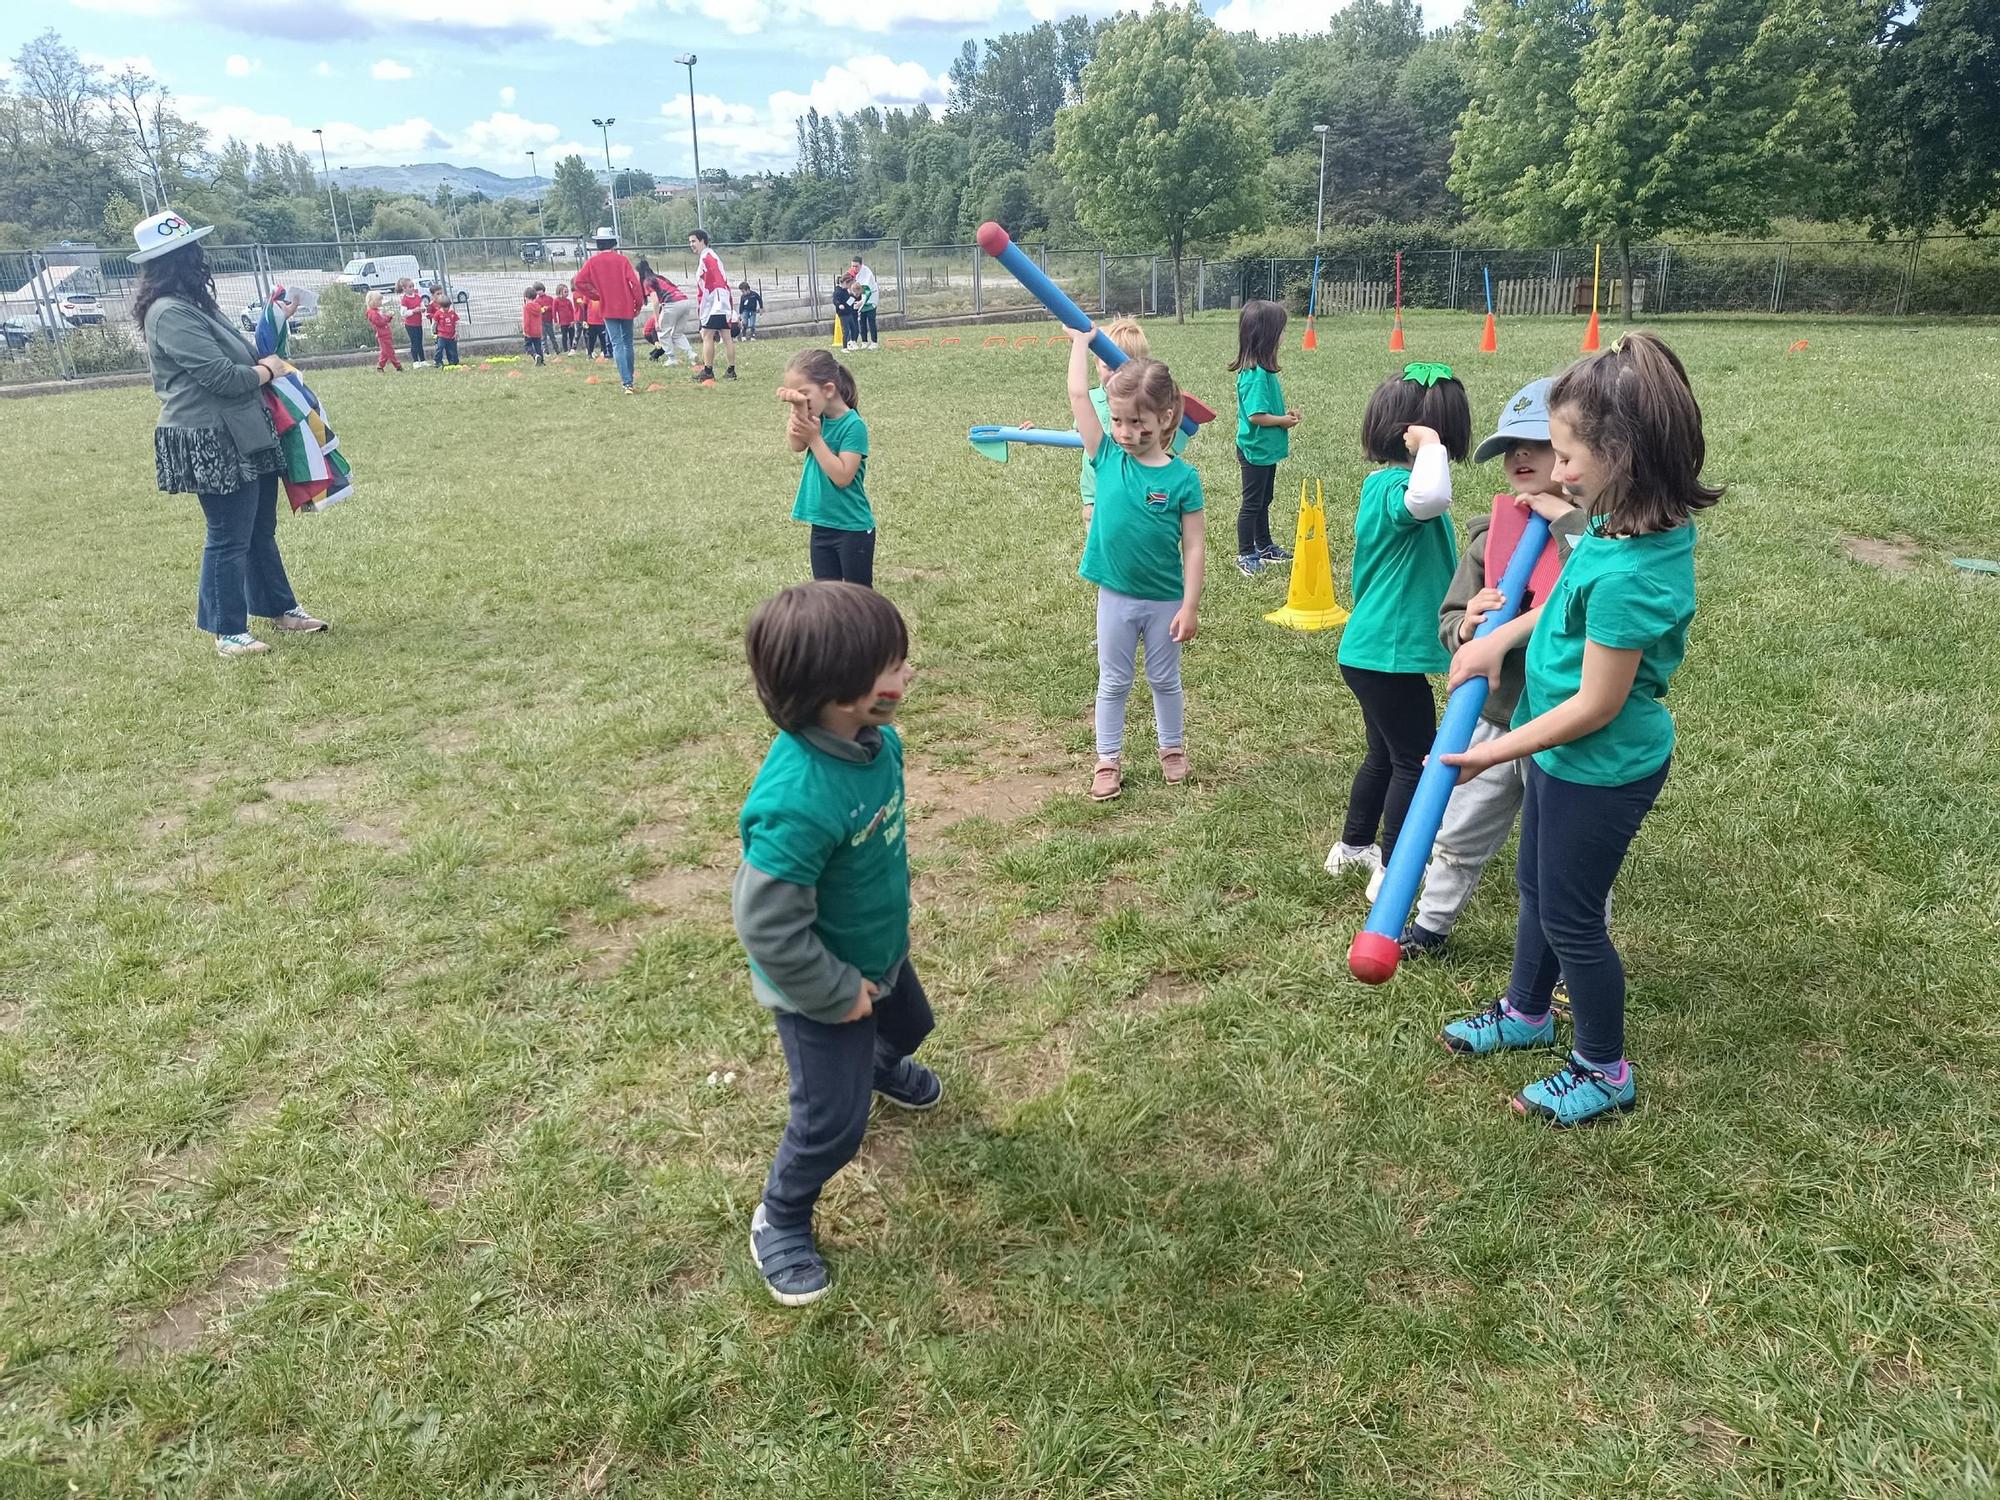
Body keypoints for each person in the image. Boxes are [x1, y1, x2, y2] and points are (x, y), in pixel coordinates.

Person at [1436, 334, 1720, 1126]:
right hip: (1560, 756)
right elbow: (1563, 605)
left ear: (1621, 454)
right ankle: (1526, 1012)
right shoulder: (1622, 524)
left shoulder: (1635, 571)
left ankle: (1603, 1066)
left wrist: (1489, 752)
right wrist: (1495, 636)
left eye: (1567, 456)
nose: (1557, 472)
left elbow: (1596, 703)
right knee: (1536, 891)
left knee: (1573, 919)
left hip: (1598, 766)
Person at [735, 580, 937, 1307]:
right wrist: (834, 991)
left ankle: (876, 1067)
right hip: (820, 986)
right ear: (844, 694)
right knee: (832, 1125)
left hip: (878, 951)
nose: (908, 673)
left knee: (912, 1025)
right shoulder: (796, 799)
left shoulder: (873, 743)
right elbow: (766, 926)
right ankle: (781, 1215)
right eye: (894, 665)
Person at [1401, 378, 1586, 960]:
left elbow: (1598, 591)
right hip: (1491, 717)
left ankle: (1562, 959)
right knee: (1458, 832)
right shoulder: (1490, 534)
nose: (1521, 457)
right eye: (1510, 448)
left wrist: (1564, 520)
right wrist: (1467, 624)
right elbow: (1449, 619)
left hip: (1561, 725)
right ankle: (1430, 927)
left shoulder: (1602, 535)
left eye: (1538, 444)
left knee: (1563, 853)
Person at [132, 208, 329, 659]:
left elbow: (242, 352)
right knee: (228, 534)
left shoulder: (196, 306)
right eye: (191, 252)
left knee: (260, 528)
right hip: (210, 439)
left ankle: (280, 608)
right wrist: (267, 369)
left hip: (245, 430)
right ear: (176, 261)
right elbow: (222, 376)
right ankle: (228, 630)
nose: (201, 258)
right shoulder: (168, 314)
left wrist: (276, 321)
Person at [1326, 362, 1471, 895]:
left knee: (1385, 754)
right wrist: (1429, 447)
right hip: (1383, 656)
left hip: (1372, 654)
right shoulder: (1395, 488)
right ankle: (1395, 867)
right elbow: (1430, 498)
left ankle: (1354, 847)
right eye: (1444, 433)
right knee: (1416, 758)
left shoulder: (1384, 485)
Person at [1066, 327, 1204, 802]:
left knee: (1165, 679)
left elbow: (1194, 547)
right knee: (1114, 682)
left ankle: (1172, 747)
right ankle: (1107, 759)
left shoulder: (1184, 479)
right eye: (1120, 421)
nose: (1126, 433)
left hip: (1166, 600)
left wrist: (1189, 605)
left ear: (1166, 419)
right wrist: (1079, 345)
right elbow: (1078, 395)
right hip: (1116, 597)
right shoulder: (1104, 456)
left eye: (1138, 423)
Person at [779, 349, 872, 586]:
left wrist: (815, 438)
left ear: (828, 390)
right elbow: (796, 445)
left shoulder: (853, 425)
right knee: (825, 597)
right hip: (821, 525)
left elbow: (843, 476)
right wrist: (798, 412)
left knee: (857, 599)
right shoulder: (816, 417)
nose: (802, 403)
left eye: (804, 396)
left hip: (852, 529)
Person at [1230, 300, 1301, 577]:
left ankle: (1265, 546)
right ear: (1267, 335)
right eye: (1281, 331)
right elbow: (1256, 416)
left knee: (1264, 499)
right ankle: (1246, 552)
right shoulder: (1255, 375)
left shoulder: (1263, 371)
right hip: (1255, 450)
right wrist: (1283, 420)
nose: (1284, 336)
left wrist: (1284, 415)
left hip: (1265, 450)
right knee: (1252, 504)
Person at [571, 227, 643, 393]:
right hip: (626, 306)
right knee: (627, 343)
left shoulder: (592, 262)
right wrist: (637, 304)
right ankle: (629, 378)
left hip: (607, 307)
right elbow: (635, 284)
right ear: (613, 243)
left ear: (598, 243)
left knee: (617, 343)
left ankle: (626, 382)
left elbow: (579, 281)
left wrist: (595, 295)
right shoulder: (622, 260)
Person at [689, 228, 737, 383]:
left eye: (694, 241)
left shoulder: (707, 256)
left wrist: (711, 300)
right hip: (721, 300)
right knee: (726, 336)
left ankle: (708, 370)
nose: (691, 245)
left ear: (702, 240)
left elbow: (714, 279)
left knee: (707, 334)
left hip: (716, 301)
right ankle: (731, 370)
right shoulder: (710, 255)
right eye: (690, 242)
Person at [365, 291, 402, 372]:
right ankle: (397, 365)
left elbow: (383, 320)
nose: (381, 302)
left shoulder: (377, 311)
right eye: (379, 300)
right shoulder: (372, 312)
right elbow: (379, 322)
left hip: (386, 334)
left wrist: (388, 317)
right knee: (389, 351)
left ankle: (380, 366)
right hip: (382, 335)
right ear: (373, 301)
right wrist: (387, 317)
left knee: (385, 352)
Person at [848, 254, 878, 349]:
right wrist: (848, 303)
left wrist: (861, 302)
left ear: (861, 265)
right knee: (862, 321)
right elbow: (854, 290)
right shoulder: (852, 273)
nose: (854, 268)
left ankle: (874, 342)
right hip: (862, 297)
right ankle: (864, 342)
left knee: (871, 320)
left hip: (871, 298)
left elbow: (867, 292)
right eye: (852, 266)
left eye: (856, 266)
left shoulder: (867, 273)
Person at [398, 277, 427, 368]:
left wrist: (423, 309)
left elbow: (422, 306)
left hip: (418, 323)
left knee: (419, 342)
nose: (412, 288)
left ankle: (422, 360)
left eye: (412, 286)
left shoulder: (417, 297)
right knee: (414, 342)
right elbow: (403, 313)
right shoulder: (405, 299)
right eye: (410, 287)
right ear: (404, 288)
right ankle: (415, 361)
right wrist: (413, 311)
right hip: (410, 325)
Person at [427, 291, 460, 366]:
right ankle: (437, 361)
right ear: (441, 306)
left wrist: (456, 332)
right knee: (440, 348)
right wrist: (433, 333)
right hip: (442, 335)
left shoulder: (452, 313)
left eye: (447, 307)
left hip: (451, 335)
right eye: (444, 307)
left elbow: (456, 322)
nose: (446, 309)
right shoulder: (438, 313)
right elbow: (434, 324)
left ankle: (453, 361)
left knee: (452, 350)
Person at [521, 287, 546, 365]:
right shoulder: (538, 306)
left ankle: (535, 356)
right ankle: (542, 361)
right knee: (538, 347)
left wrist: (525, 331)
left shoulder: (527, 307)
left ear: (525, 297)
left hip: (530, 331)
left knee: (527, 346)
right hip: (537, 331)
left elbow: (526, 320)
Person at [832, 274, 856, 351]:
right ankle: (844, 347)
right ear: (845, 282)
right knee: (846, 331)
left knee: (853, 329)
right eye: (849, 284)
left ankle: (851, 343)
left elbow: (848, 301)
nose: (849, 286)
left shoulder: (846, 291)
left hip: (849, 313)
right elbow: (835, 300)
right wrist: (839, 305)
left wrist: (853, 297)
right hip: (843, 314)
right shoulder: (838, 291)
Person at [552, 282, 577, 353]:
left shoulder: (568, 301)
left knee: (572, 336)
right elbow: (554, 312)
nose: (567, 293)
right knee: (564, 336)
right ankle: (565, 349)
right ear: (560, 292)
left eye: (567, 292)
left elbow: (572, 311)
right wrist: (556, 322)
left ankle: (572, 349)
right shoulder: (556, 301)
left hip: (570, 322)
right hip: (563, 323)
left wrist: (573, 320)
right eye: (565, 292)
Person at [581, 293, 606, 360]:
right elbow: (584, 306)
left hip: (602, 321)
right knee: (591, 338)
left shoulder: (602, 291)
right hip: (591, 321)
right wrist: (584, 320)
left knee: (603, 338)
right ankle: (590, 353)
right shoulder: (587, 293)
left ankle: (604, 352)